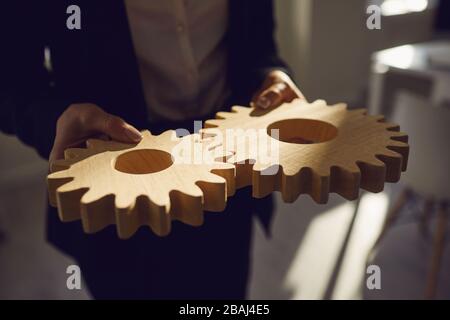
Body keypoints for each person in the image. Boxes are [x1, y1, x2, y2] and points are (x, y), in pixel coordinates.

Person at [0, 0, 304, 299]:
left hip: (228, 175)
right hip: (116, 188)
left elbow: (257, 40)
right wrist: (55, 119)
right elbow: (10, 78)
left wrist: (270, 73)